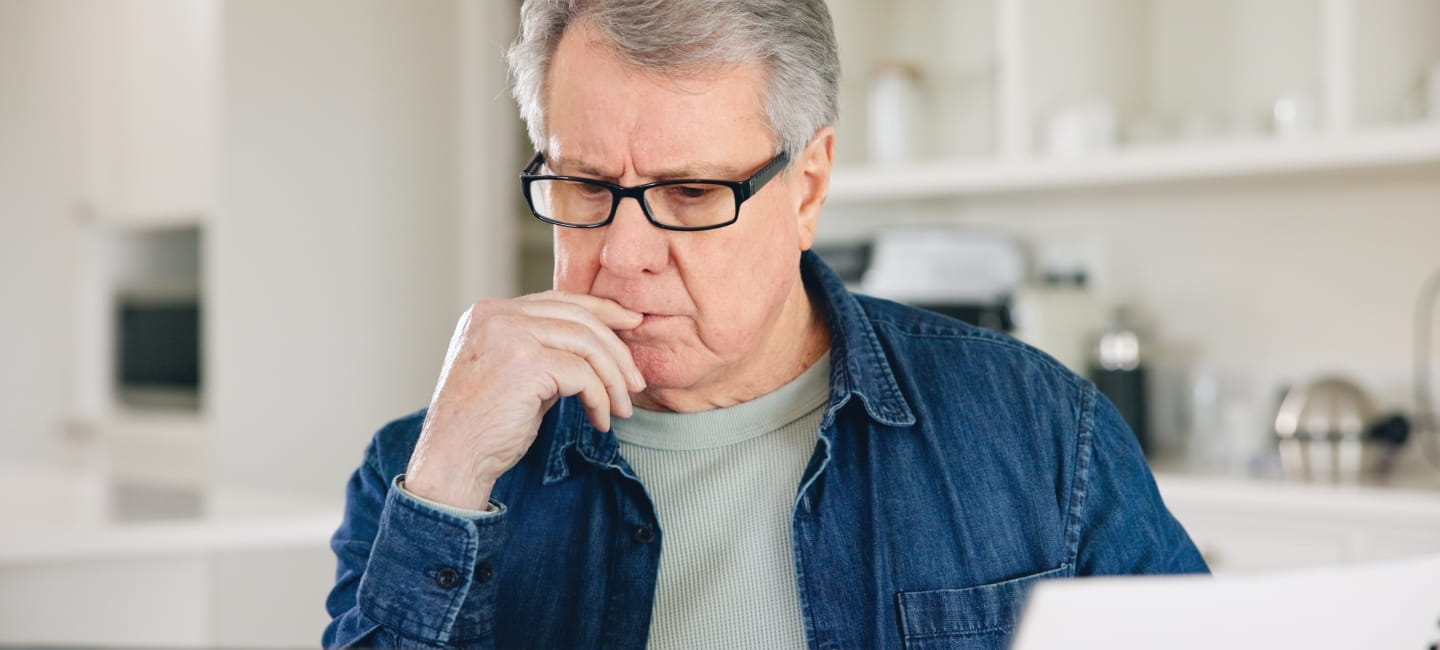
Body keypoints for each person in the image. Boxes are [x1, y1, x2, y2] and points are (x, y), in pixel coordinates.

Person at [323, 1, 1208, 648]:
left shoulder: (1045, 434)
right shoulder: (425, 475)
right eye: (586, 186)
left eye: (692, 192)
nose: (624, 252)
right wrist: (446, 484)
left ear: (809, 187)